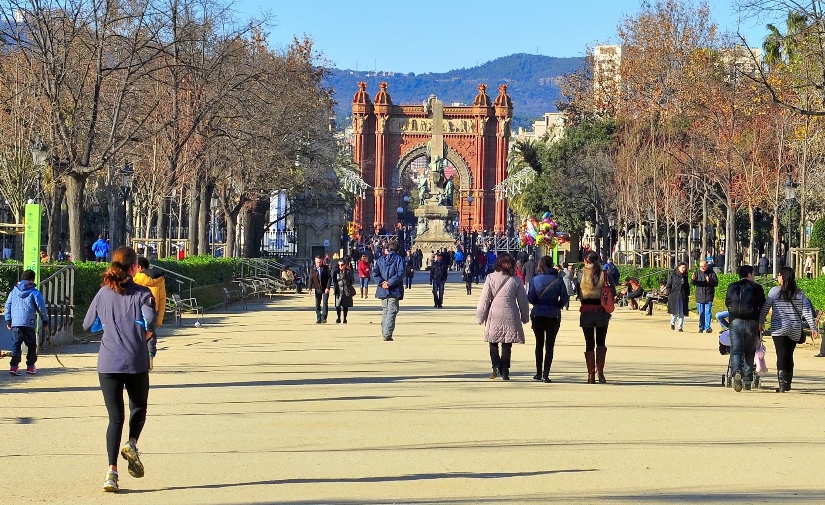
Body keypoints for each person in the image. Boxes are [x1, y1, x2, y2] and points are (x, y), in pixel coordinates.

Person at [82, 247, 156, 493]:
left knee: (115, 418)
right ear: (135, 268)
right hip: (135, 361)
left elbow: (87, 325)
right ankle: (132, 443)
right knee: (139, 407)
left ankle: (111, 472)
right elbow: (151, 322)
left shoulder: (103, 293)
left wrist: (107, 325)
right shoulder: (143, 293)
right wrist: (143, 334)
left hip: (107, 362)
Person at [759, 267, 818, 392]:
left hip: (779, 328)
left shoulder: (774, 291)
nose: (778, 277)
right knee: (789, 355)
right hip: (795, 328)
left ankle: (782, 384)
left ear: (784, 277)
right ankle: (788, 383)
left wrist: (761, 322)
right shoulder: (799, 293)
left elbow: (765, 308)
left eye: (779, 275)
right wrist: (813, 328)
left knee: (780, 354)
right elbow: (807, 311)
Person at [476, 252, 529, 380]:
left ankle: (495, 366)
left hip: (494, 313)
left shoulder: (490, 278)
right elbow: (523, 300)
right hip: (510, 312)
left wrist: (480, 316)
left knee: (493, 342)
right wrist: (525, 317)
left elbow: (484, 299)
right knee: (507, 343)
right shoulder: (515, 280)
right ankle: (505, 370)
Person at [527, 256, 569, 383]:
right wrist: (558, 305)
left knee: (539, 343)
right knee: (550, 345)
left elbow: (530, 297)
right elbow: (565, 297)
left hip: (538, 314)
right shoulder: (558, 280)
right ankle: (546, 373)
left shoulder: (535, 279)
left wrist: (537, 304)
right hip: (553, 315)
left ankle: (538, 372)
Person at [725, 265, 766, 392]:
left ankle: (737, 371)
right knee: (749, 350)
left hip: (735, 321)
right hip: (752, 322)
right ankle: (747, 379)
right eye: (753, 274)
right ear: (749, 274)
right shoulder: (757, 288)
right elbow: (762, 303)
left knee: (736, 350)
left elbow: (728, 302)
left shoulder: (732, 286)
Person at [576, 251, 615, 383]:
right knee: (601, 342)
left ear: (585, 260)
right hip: (601, 311)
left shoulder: (581, 273)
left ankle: (590, 374)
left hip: (586, 310)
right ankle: (601, 372)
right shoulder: (605, 273)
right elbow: (612, 291)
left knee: (589, 343)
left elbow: (577, 290)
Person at [5, 269, 49, 376]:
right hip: (29, 322)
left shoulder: (13, 291)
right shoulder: (34, 292)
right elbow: (41, 307)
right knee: (31, 345)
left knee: (16, 344)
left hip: (16, 323)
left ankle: (14, 367)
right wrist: (45, 321)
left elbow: (8, 306)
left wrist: (8, 320)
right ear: (32, 279)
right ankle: (30, 367)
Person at [133, 257, 166, 371]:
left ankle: (136, 361)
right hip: (153, 313)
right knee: (151, 337)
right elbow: (162, 300)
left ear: (140, 267)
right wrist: (159, 319)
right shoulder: (159, 279)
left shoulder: (134, 278)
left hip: (136, 313)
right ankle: (150, 357)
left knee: (135, 337)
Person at [372, 240, 405, 341]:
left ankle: (384, 331)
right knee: (392, 311)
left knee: (385, 310)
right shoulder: (399, 259)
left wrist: (382, 283)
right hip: (394, 289)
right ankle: (387, 333)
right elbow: (400, 273)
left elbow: (375, 272)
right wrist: (390, 283)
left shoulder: (381, 260)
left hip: (382, 289)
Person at [691, 260, 718, 333]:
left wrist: (709, 281)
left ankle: (708, 327)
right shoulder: (697, 273)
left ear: (707, 265)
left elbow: (716, 283)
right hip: (699, 295)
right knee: (701, 313)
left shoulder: (712, 273)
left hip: (709, 295)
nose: (702, 268)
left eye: (703, 266)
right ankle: (701, 327)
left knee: (708, 312)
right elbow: (693, 283)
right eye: (701, 266)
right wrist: (693, 279)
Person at [666, 262, 690, 332]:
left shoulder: (685, 276)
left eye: (685, 268)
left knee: (681, 312)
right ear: (678, 267)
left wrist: (687, 293)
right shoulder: (673, 275)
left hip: (682, 296)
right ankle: (672, 322)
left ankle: (680, 327)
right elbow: (668, 285)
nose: (684, 269)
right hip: (674, 296)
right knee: (675, 312)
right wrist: (669, 292)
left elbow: (686, 286)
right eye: (682, 267)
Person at [309, 255, 332, 324]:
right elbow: (310, 279)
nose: (318, 264)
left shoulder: (326, 268)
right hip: (317, 288)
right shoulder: (313, 269)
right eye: (317, 262)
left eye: (319, 262)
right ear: (315, 262)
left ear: (322, 261)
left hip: (325, 288)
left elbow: (329, 278)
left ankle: (324, 318)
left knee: (325, 303)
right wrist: (310, 289)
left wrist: (328, 287)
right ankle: (318, 317)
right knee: (317, 304)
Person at [332, 256, 355, 324]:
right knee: (338, 305)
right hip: (338, 289)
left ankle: (345, 318)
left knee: (345, 305)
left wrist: (347, 282)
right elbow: (334, 281)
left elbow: (352, 281)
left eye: (342, 265)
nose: (340, 266)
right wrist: (335, 289)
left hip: (346, 290)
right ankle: (338, 318)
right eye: (339, 265)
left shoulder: (348, 272)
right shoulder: (336, 272)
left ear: (345, 265)